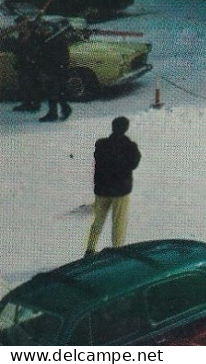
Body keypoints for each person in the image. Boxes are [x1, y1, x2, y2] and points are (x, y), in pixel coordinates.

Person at [85, 116, 141, 255]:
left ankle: (90, 249)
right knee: (119, 222)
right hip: (120, 191)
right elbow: (134, 163)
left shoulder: (101, 145)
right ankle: (117, 251)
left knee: (98, 220)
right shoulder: (129, 147)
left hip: (102, 189)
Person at [37, 18, 72, 122]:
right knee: (54, 92)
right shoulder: (46, 39)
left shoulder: (58, 41)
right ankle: (65, 109)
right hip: (49, 70)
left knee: (53, 92)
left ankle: (53, 113)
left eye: (45, 29)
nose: (42, 31)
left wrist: (54, 69)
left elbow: (62, 57)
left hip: (56, 70)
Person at [11, 15, 42, 113]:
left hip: (32, 64)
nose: (20, 27)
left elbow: (37, 47)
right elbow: (18, 48)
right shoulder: (21, 35)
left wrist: (32, 57)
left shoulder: (34, 34)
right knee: (23, 84)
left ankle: (35, 103)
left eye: (21, 24)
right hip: (23, 63)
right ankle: (27, 102)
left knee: (32, 84)